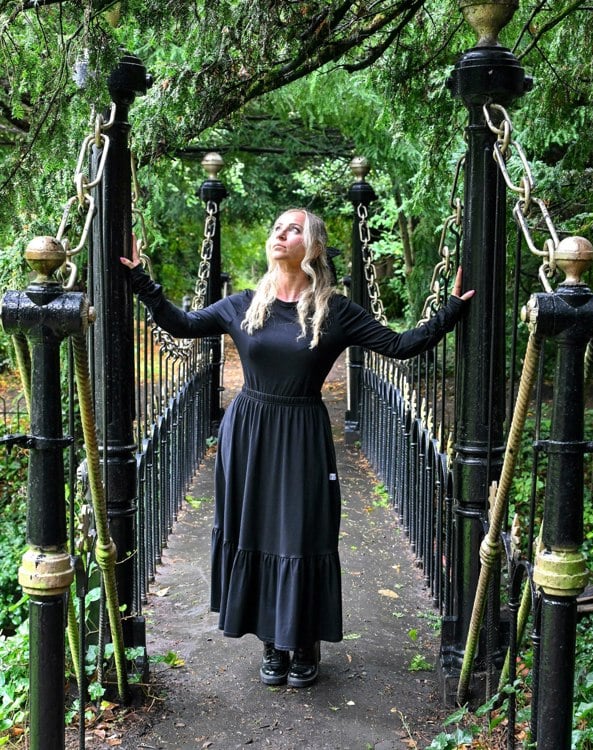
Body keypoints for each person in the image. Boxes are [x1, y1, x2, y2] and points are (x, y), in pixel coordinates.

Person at [120, 209, 474, 689]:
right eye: (277, 228)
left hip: (302, 433)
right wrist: (142, 280)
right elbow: (180, 324)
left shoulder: (338, 311)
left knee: (303, 534)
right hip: (248, 433)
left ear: (315, 248)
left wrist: (450, 311)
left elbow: (399, 345)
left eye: (294, 229)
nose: (281, 235)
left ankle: (304, 640)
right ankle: (271, 639)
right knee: (258, 531)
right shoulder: (241, 305)